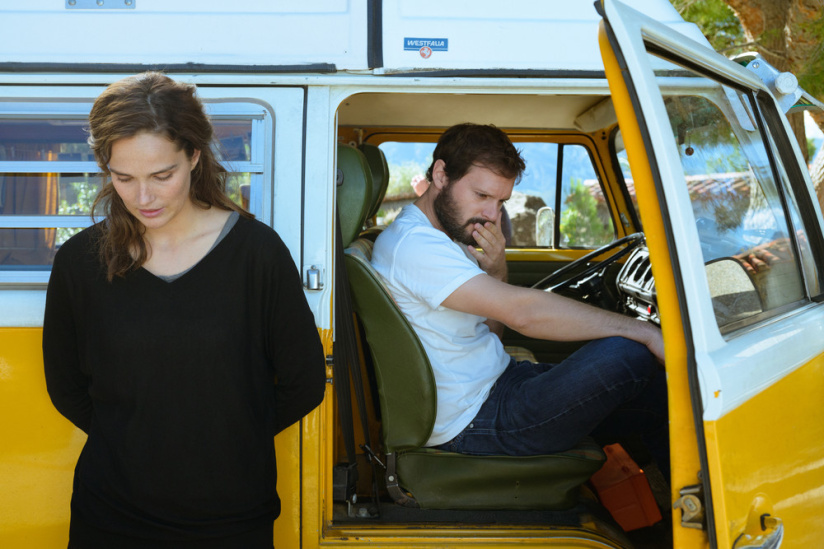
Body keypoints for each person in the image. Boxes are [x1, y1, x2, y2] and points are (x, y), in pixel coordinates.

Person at [42, 72, 326, 548]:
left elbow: (304, 383)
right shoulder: (78, 262)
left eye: (161, 175)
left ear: (194, 156)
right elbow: (65, 386)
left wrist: (227, 439)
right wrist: (138, 439)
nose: (143, 197)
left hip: (231, 521)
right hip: (109, 517)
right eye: (123, 177)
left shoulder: (258, 254)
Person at [371, 123, 669, 480]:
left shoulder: (446, 237)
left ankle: (682, 511)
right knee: (628, 354)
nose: (492, 215)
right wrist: (646, 332)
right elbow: (522, 315)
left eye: (501, 202)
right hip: (477, 421)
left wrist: (496, 272)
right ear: (440, 175)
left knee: (657, 395)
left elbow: (492, 336)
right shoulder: (415, 245)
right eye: (481, 195)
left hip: (500, 385)